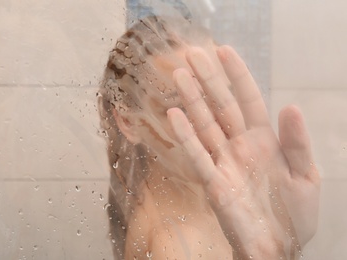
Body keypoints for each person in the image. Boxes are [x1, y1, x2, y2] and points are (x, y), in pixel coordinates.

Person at [98, 15, 320, 260]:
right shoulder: (176, 245)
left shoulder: (198, 206)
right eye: (184, 108)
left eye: (221, 97)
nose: (218, 125)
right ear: (129, 122)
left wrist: (281, 243)